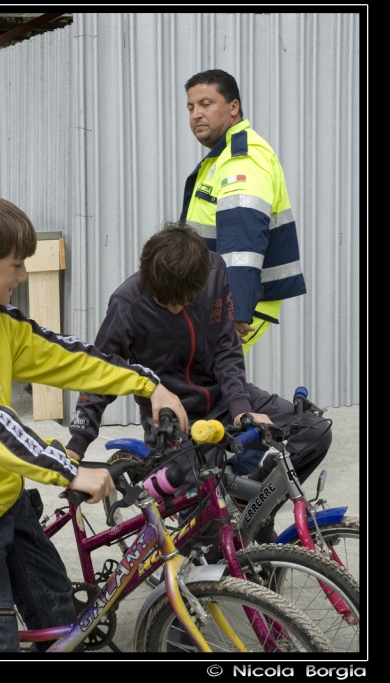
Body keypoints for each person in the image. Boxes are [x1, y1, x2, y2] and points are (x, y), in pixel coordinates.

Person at [0, 193, 188, 653]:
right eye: (15, 265)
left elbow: (71, 358)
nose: (23, 274)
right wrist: (69, 468)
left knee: (66, 626)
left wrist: (150, 385)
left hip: (7, 503)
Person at [66, 222, 331, 561]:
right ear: (141, 270)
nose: (177, 310)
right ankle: (188, 600)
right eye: (166, 303)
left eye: (185, 302)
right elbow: (99, 378)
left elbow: (226, 345)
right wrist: (76, 446)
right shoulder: (126, 305)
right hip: (175, 421)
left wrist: (239, 405)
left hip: (226, 398)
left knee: (314, 431)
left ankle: (250, 502)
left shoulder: (215, 271)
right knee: (207, 539)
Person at [180, 69, 306, 354]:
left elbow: (242, 243)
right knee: (208, 385)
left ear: (233, 107)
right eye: (191, 107)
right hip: (216, 296)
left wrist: (233, 314)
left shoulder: (243, 159)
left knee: (209, 385)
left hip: (235, 302)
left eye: (206, 104)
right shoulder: (222, 157)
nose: (196, 114)